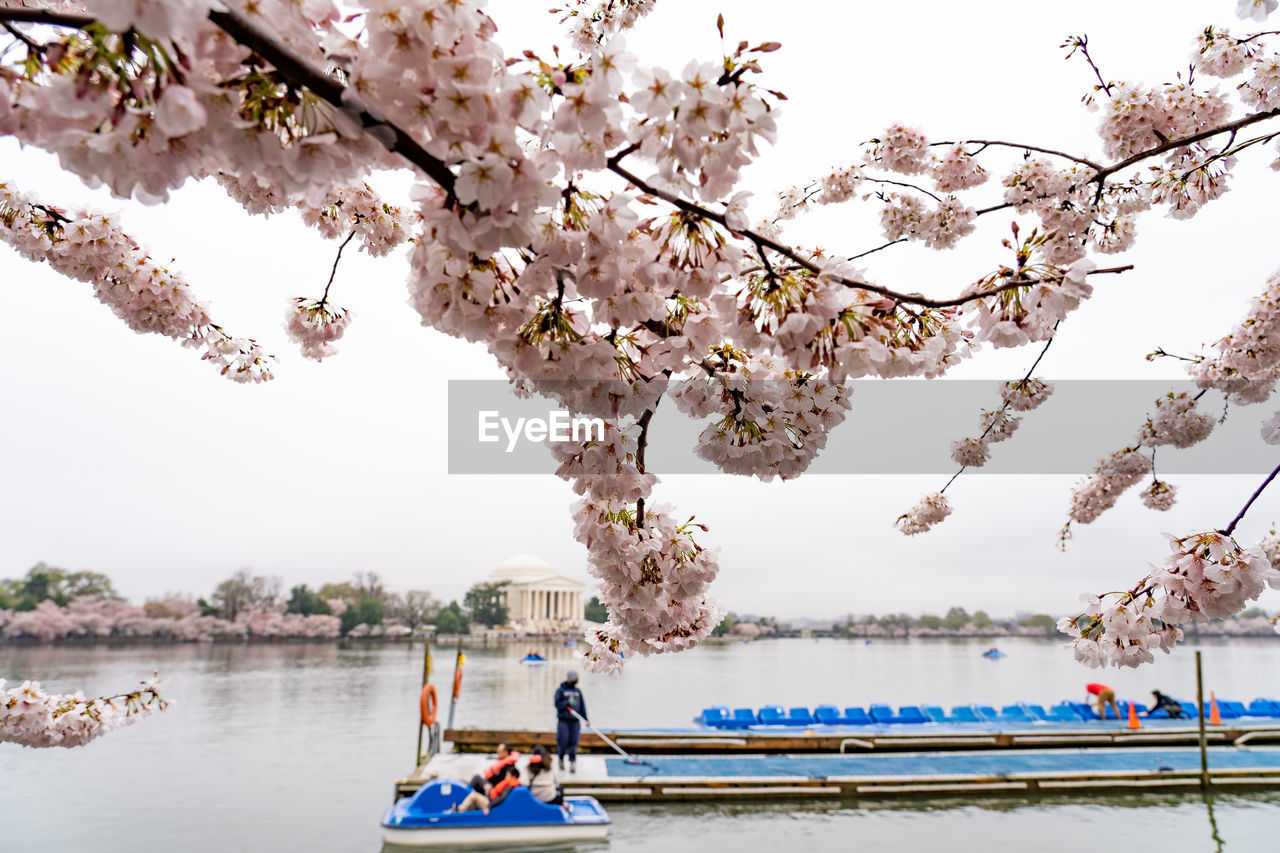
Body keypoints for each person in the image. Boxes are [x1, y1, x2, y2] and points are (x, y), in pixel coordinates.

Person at [554, 669, 588, 773]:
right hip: (563, 721)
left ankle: (572, 762)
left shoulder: (578, 691)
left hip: (575, 722)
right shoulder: (561, 691)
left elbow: (582, 706)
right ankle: (561, 759)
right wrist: (566, 703)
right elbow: (557, 705)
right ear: (571, 679)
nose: (577, 680)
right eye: (576, 678)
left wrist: (586, 719)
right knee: (563, 741)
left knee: (574, 742)